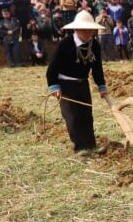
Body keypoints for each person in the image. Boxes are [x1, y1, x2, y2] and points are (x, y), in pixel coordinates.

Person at [46, 11, 108, 155]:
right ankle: (79, 147)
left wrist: (101, 86)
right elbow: (52, 68)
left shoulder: (95, 46)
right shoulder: (65, 44)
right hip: (66, 85)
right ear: (76, 29)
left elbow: (97, 68)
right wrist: (54, 86)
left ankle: (91, 145)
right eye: (83, 29)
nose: (87, 32)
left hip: (83, 84)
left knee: (86, 115)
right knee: (72, 117)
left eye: (89, 29)